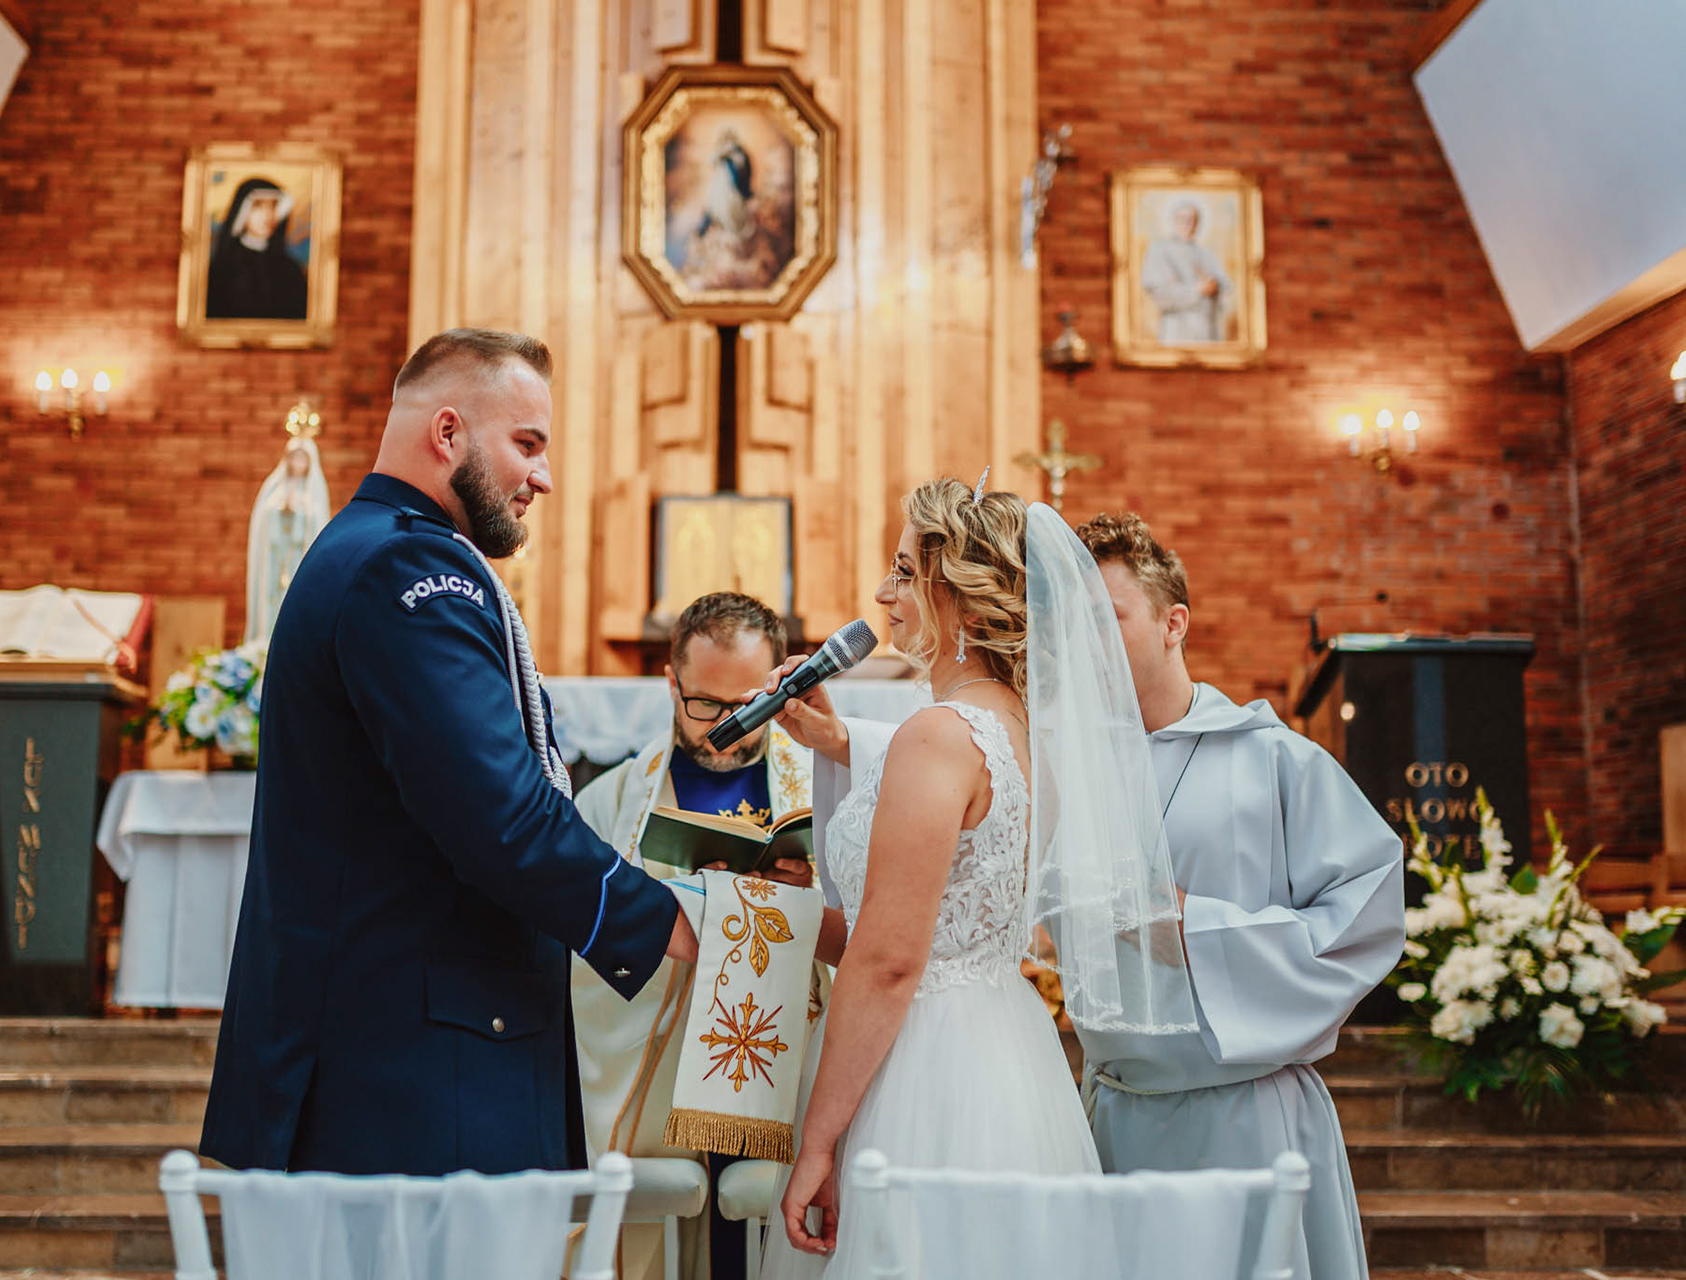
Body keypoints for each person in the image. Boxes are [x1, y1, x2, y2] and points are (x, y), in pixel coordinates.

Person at [201, 328, 697, 1177]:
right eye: (527, 445)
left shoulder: (378, 549)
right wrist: (673, 922)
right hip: (410, 1079)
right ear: (447, 433)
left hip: (404, 1055)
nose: (543, 476)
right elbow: (500, 813)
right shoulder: (405, 572)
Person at [758, 479, 1193, 1278]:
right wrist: (770, 906)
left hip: (922, 1071)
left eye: (902, 572)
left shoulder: (938, 737)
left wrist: (819, 1140)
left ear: (956, 596)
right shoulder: (1027, 734)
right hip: (1007, 1055)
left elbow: (890, 961)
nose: (882, 594)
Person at [1073, 511, 1405, 1280]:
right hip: (1113, 1115)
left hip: (1243, 1118)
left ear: (1173, 624)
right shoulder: (1069, 771)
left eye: (1107, 618)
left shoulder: (1275, 760)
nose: (1084, 644)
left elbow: (1364, 921)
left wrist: (1194, 929)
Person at [573, 591, 815, 1280]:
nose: (726, 729)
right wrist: (683, 910)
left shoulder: (820, 796)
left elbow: (872, 935)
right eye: (705, 704)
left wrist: (809, 898)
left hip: (782, 1063)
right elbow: (572, 947)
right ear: (671, 683)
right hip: (661, 1079)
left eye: (750, 706)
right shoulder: (613, 803)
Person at [244, 432, 331, 644]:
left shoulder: (314, 492)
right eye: (293, 457)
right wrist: (280, 508)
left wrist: (300, 512)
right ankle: (263, 643)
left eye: (302, 458)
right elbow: (263, 519)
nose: (297, 463)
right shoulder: (274, 487)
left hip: (298, 557)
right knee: (271, 601)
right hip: (274, 557)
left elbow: (317, 525)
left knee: (293, 599)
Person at [206, 177, 310, 320]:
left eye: (273, 206)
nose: (268, 215)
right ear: (242, 212)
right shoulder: (222, 268)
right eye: (258, 206)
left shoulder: (290, 269)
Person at [1141, 198, 1233, 343]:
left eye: (1192, 220)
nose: (1188, 224)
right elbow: (1159, 291)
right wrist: (1197, 290)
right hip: (1177, 329)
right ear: (1173, 221)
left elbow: (1225, 287)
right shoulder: (1160, 250)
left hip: (1208, 330)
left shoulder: (1206, 253)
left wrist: (1214, 286)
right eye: (1182, 219)